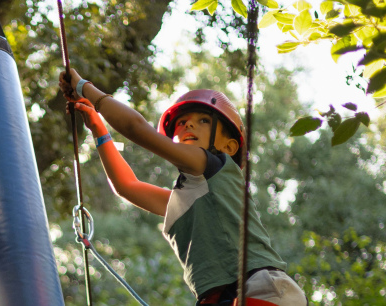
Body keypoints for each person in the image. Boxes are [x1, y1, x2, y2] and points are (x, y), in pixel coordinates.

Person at [59, 69, 307, 305]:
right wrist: (98, 128)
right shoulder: (187, 198)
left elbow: (135, 128)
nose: (188, 125)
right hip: (222, 297)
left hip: (260, 289)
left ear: (229, 147)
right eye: (181, 122)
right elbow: (127, 186)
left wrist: (84, 86)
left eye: (203, 120)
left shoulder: (214, 164)